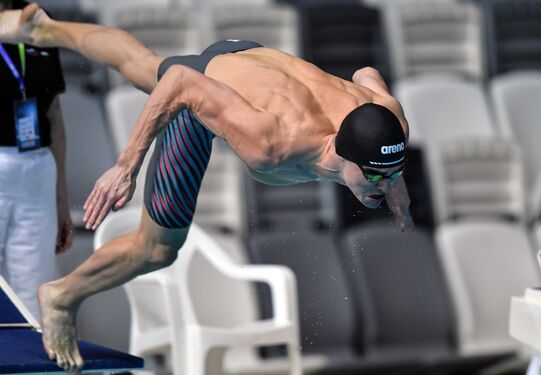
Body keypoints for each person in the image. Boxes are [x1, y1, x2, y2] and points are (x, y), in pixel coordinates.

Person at [0, 3, 413, 373]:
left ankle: (43, 27)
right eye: (375, 175)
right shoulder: (271, 142)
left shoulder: (389, 116)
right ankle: (62, 296)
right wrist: (126, 166)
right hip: (203, 90)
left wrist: (394, 182)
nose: (384, 184)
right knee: (158, 248)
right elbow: (180, 82)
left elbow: (366, 74)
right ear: (343, 153)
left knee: (140, 61)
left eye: (392, 171)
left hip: (251, 58)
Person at [0, 0, 71, 322]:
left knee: (34, 296)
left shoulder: (41, 19)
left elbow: (53, 116)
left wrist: (60, 200)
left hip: (37, 168)